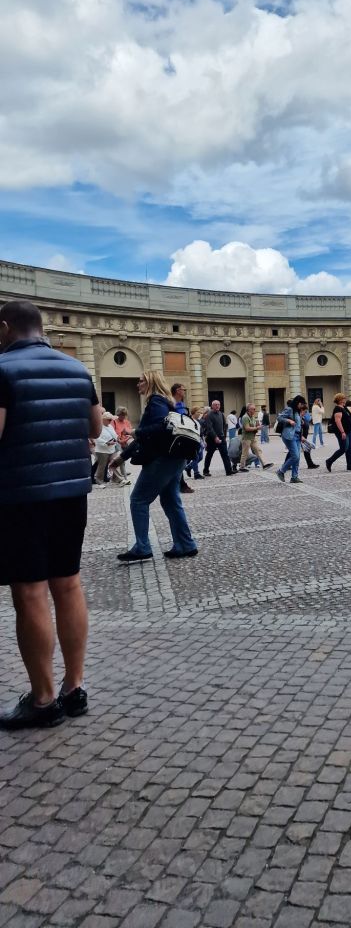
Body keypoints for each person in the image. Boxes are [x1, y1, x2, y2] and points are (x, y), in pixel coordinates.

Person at [0, 301, 101, 730]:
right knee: (68, 583)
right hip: (71, 494)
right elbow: (95, 428)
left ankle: (42, 701)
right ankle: (74, 688)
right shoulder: (77, 370)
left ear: (5, 328)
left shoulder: (2, 369)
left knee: (29, 592)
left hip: (20, 495)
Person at [116, 371, 198, 562]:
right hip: (176, 458)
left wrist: (135, 432)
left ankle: (142, 547)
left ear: (151, 382)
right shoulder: (166, 402)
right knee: (170, 501)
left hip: (162, 459)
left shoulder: (156, 402)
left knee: (138, 500)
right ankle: (185, 544)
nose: (138, 384)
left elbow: (160, 428)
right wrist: (123, 456)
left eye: (141, 381)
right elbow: (152, 433)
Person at [93, 411, 129, 486]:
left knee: (114, 463)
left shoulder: (110, 426)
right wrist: (107, 443)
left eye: (111, 420)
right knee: (102, 466)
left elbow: (114, 435)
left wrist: (118, 438)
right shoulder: (98, 427)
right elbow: (96, 438)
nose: (110, 421)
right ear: (104, 419)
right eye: (109, 420)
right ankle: (98, 480)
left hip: (111, 449)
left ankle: (118, 479)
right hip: (101, 450)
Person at [275, 396, 306, 483]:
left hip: (297, 436)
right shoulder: (289, 409)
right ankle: (281, 471)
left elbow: (298, 426)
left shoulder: (297, 411)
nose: (302, 406)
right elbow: (279, 418)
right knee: (295, 456)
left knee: (297, 457)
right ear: (298, 403)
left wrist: (301, 435)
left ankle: (294, 477)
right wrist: (289, 421)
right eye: (302, 404)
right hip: (289, 436)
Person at [171, 382, 195, 494]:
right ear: (177, 391)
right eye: (183, 389)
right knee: (178, 461)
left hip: (184, 436)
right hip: (176, 437)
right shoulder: (172, 404)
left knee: (181, 461)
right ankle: (181, 485)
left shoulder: (182, 404)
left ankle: (180, 484)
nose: (184, 391)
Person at [326, 392, 351, 472]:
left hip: (348, 431)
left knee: (349, 449)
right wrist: (342, 432)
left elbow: (348, 417)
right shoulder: (338, 408)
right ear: (340, 400)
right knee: (343, 448)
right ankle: (329, 461)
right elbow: (338, 421)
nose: (345, 399)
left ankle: (350, 465)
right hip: (341, 432)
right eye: (343, 398)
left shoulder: (344, 407)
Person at [202, 399, 234, 476]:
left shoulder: (221, 414)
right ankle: (206, 471)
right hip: (211, 438)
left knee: (225, 454)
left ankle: (229, 471)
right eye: (215, 405)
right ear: (212, 406)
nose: (217, 406)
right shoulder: (208, 415)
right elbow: (209, 428)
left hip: (221, 437)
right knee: (209, 455)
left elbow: (224, 426)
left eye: (218, 404)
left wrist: (224, 436)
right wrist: (215, 437)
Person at [240, 403, 274, 471]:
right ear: (249, 409)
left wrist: (257, 426)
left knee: (258, 451)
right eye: (254, 409)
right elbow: (247, 428)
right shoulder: (245, 417)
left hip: (252, 437)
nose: (255, 410)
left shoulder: (252, 417)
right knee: (245, 453)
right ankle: (242, 467)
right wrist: (256, 428)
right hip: (246, 438)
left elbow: (254, 426)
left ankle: (264, 464)